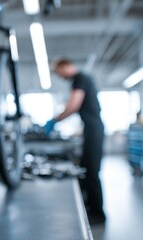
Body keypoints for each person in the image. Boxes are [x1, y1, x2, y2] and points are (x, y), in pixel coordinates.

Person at [44, 58, 106, 224]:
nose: (60, 77)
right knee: (86, 168)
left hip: (94, 129)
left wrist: (54, 120)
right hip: (91, 128)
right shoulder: (81, 79)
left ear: (65, 66)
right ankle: (90, 207)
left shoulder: (80, 79)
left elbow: (73, 106)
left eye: (59, 73)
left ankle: (98, 214)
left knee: (91, 171)